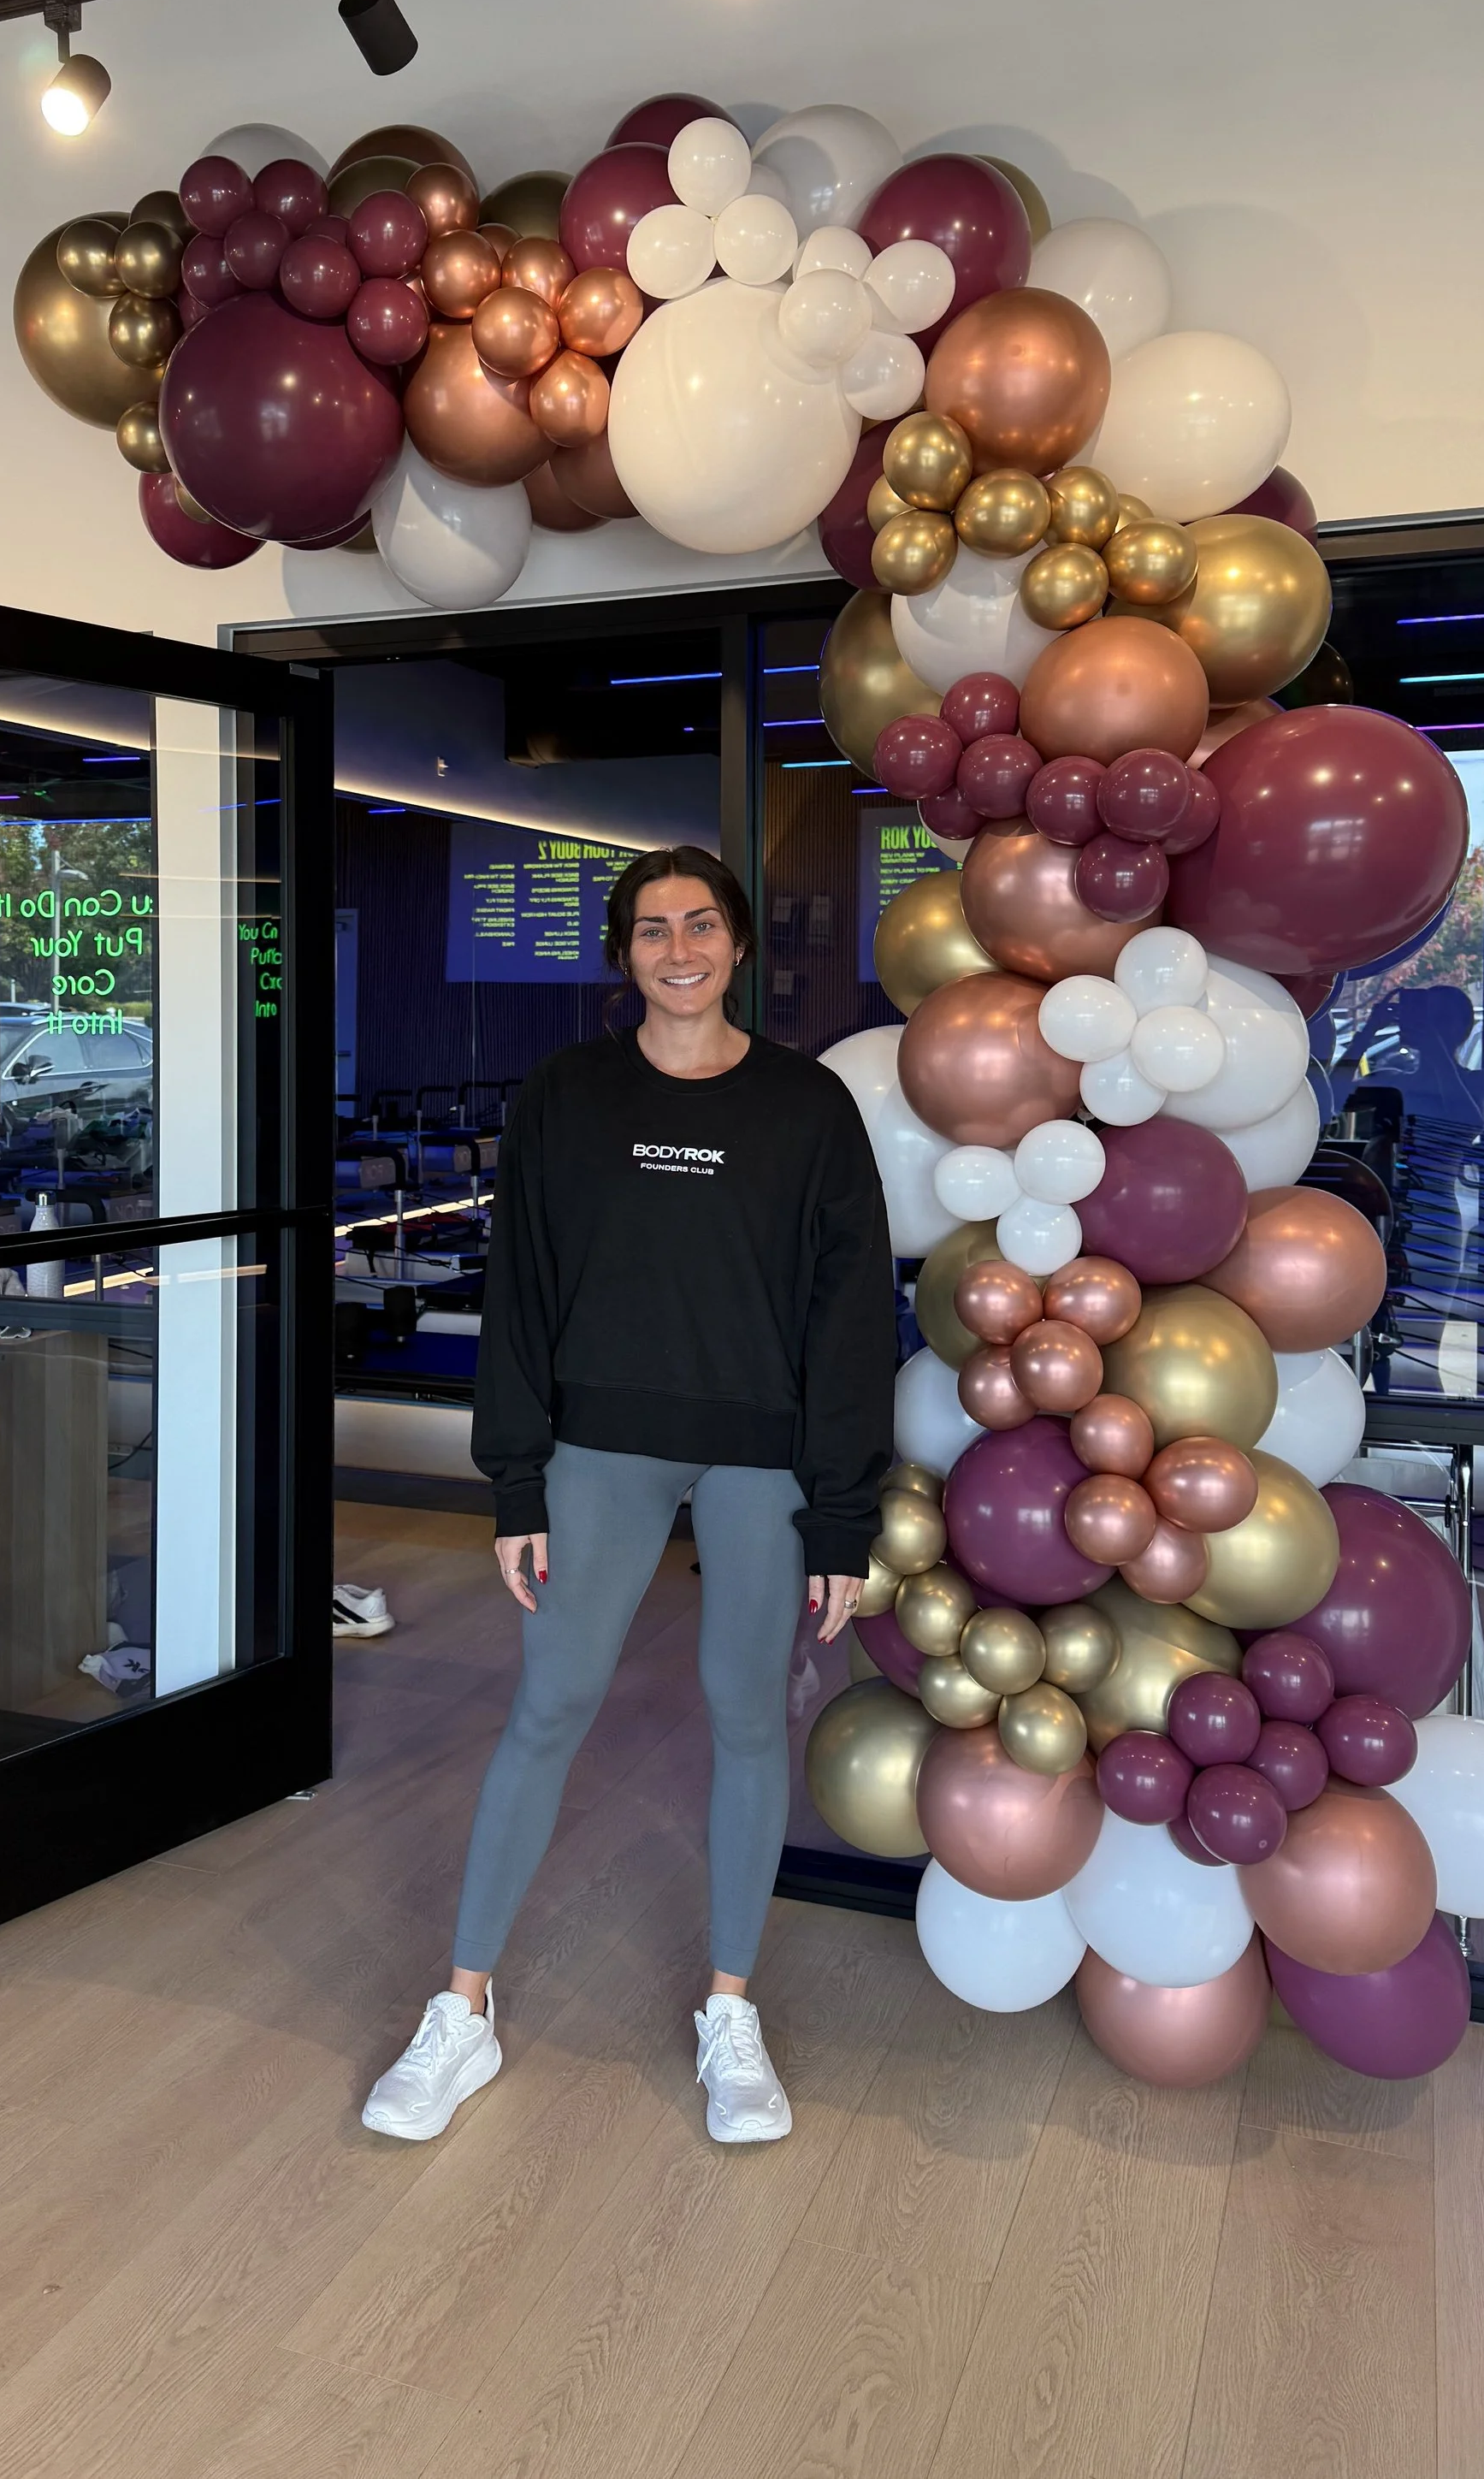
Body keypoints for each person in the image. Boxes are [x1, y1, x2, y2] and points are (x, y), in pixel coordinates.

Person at [362, 845, 895, 2148]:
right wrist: (516, 1481)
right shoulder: (567, 1097)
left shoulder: (808, 1106)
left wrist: (842, 1511)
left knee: (747, 1720)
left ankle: (729, 2011)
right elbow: (520, 1292)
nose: (678, 948)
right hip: (600, 1451)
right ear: (624, 955)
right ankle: (463, 2011)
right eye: (651, 929)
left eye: (699, 924)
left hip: (762, 1457)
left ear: (739, 944)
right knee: (547, 1709)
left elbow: (848, 1318)